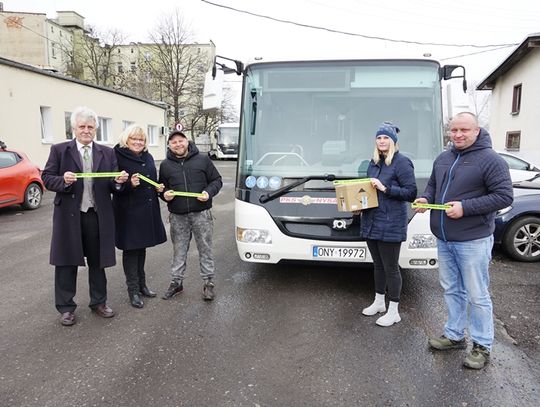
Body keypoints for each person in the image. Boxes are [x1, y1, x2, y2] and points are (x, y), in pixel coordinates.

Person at [414, 112, 513, 369]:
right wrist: (425, 200)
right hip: (444, 239)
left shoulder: (491, 160)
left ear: (477, 131)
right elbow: (433, 188)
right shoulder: (443, 158)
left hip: (473, 240)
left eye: (464, 130)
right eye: (454, 130)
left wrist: (465, 208)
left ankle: (482, 345)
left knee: (477, 294)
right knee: (451, 289)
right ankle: (455, 335)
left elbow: (504, 197)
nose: (457, 134)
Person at [42, 106, 128, 326]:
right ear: (73, 128)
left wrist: (118, 182)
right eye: (82, 126)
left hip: (97, 215)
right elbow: (47, 177)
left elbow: (112, 183)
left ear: (96, 129)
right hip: (69, 216)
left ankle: (98, 302)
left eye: (90, 127)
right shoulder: (60, 150)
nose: (86, 130)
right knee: (66, 262)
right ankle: (66, 308)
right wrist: (63, 181)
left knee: (98, 261)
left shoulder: (107, 153)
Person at [359, 122, 417, 327]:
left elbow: (411, 193)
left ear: (393, 141)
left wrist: (385, 188)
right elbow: (366, 192)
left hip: (391, 222)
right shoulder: (372, 163)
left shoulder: (402, 163)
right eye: (379, 138)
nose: (382, 141)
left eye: (386, 138)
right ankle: (378, 303)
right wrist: (358, 205)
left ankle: (394, 311)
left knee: (391, 267)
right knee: (378, 266)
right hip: (372, 221)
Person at [159, 130, 223, 301]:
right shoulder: (165, 165)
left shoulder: (203, 159)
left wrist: (208, 193)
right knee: (179, 251)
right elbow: (162, 187)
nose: (178, 144)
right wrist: (164, 194)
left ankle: (208, 283)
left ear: (187, 142)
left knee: (205, 249)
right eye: (173, 142)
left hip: (201, 214)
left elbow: (217, 180)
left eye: (181, 141)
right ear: (169, 145)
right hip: (178, 216)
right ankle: (176, 283)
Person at [113, 125, 167, 309]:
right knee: (130, 251)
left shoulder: (148, 156)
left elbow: (153, 179)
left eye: (141, 139)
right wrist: (129, 184)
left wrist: (159, 187)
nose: (138, 142)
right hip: (128, 212)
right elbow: (112, 185)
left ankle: (143, 286)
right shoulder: (117, 156)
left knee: (141, 248)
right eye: (134, 139)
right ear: (126, 140)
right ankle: (133, 291)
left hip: (146, 210)